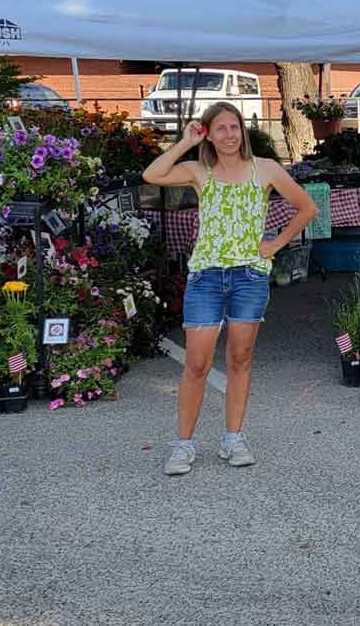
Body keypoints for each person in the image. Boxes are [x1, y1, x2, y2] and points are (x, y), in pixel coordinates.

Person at [143, 105, 318, 475]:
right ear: (208, 133)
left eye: (234, 127)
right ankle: (183, 444)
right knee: (197, 362)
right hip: (206, 276)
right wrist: (185, 142)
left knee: (240, 358)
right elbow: (152, 173)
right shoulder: (198, 171)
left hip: (249, 277)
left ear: (243, 131)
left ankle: (233, 438)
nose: (228, 135)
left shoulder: (266, 168)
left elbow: (306, 208)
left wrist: (276, 243)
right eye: (219, 129)